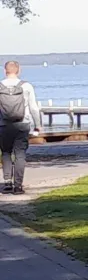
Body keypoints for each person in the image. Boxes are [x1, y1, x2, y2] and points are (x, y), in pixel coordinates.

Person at [0, 61, 43, 195]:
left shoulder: (0, 86)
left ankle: (7, 182)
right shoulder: (26, 86)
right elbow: (34, 108)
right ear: (19, 71)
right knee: (20, 154)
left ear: (5, 71)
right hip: (22, 124)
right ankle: (18, 186)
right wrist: (38, 126)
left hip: (4, 125)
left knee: (6, 153)